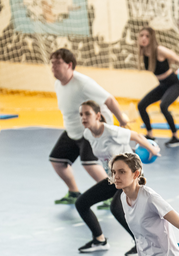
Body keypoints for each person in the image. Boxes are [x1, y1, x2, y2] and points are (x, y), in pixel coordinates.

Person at [77, 100, 160, 256]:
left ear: (98, 116)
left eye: (87, 114)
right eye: (81, 114)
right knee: (82, 203)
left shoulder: (111, 131)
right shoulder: (88, 134)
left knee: (116, 207)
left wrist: (152, 149)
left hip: (131, 177)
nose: (83, 117)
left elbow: (136, 136)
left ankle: (142, 245)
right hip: (114, 178)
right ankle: (99, 240)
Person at [49, 48, 130, 205]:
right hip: (73, 130)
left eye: (57, 63)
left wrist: (121, 121)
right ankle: (73, 192)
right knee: (57, 161)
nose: (53, 66)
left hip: (91, 130)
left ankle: (112, 196)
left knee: (90, 165)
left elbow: (109, 100)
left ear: (69, 65)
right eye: (52, 63)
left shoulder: (83, 84)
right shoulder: (58, 84)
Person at [136, 27, 179, 148]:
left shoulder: (159, 50)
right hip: (163, 85)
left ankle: (175, 137)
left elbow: (176, 58)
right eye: (142, 35)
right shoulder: (144, 52)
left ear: (152, 38)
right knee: (141, 105)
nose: (144, 38)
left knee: (163, 106)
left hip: (175, 83)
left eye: (147, 36)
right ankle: (150, 135)